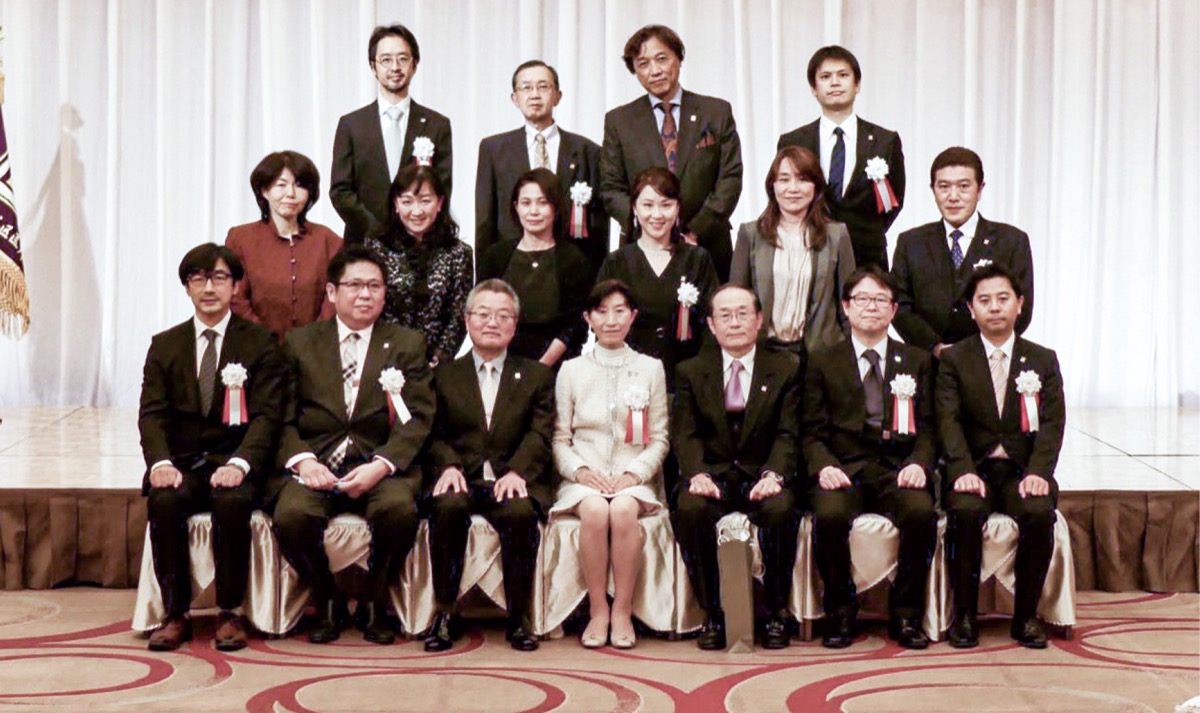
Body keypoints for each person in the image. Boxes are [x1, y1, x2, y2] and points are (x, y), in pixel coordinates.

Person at [270, 244, 435, 645]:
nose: (365, 295)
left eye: (375, 286)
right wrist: (305, 462)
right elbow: (280, 414)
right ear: (332, 292)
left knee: (399, 512)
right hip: (317, 464)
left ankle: (375, 601)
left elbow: (420, 417)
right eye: (355, 285)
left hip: (379, 464)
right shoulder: (300, 342)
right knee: (291, 516)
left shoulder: (407, 343)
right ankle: (326, 598)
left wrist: (381, 465)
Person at [138, 243, 286, 652]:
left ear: (235, 286)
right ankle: (175, 614)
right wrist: (160, 463)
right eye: (198, 279)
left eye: (219, 278)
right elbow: (152, 414)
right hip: (183, 464)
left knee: (231, 501)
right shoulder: (165, 345)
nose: (209, 288)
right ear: (187, 287)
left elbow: (268, 416)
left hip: (235, 462)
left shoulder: (260, 343)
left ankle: (230, 611)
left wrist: (240, 463)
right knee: (164, 501)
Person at [802, 267, 937, 650]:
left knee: (921, 514)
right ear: (846, 307)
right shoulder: (822, 359)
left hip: (898, 469)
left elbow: (931, 427)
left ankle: (906, 614)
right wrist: (824, 465)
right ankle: (840, 612)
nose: (871, 307)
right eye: (862, 299)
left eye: (880, 300)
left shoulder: (917, 360)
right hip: (843, 467)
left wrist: (919, 463)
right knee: (828, 516)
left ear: (894, 310)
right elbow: (810, 429)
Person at [938, 263, 1064, 649]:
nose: (994, 307)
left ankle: (1025, 616)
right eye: (984, 300)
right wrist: (961, 469)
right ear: (971, 309)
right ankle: (964, 616)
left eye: (1003, 298)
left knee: (1039, 512)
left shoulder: (1042, 359)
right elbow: (948, 420)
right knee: (964, 512)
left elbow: (1053, 422)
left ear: (1020, 304)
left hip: (1022, 471)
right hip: (973, 469)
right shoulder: (955, 359)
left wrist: (1039, 471)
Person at [424, 279, 554, 652]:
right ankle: (445, 613)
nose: (492, 322)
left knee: (519, 513)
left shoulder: (537, 375)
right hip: (460, 476)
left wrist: (517, 471)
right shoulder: (443, 375)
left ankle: (519, 617)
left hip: (510, 477)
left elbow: (540, 433)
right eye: (483, 314)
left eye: (502, 315)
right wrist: (448, 465)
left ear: (515, 324)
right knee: (447, 507)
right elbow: (432, 433)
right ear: (467, 320)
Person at [671, 285, 802, 651]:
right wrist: (697, 473)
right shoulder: (690, 371)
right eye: (725, 315)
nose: (734, 322)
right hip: (711, 476)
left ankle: (776, 611)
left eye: (743, 313)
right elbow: (685, 433)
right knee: (690, 509)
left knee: (781, 509)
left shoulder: (786, 369)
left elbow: (788, 433)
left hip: (762, 476)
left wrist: (774, 475)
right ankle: (713, 612)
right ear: (712, 325)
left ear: (759, 320)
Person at [551, 280, 669, 650]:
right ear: (588, 318)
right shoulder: (571, 370)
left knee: (621, 510)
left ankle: (622, 609)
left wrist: (635, 473)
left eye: (620, 311)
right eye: (601, 312)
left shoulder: (651, 368)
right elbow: (559, 438)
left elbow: (660, 438)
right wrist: (581, 472)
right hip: (584, 476)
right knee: (594, 510)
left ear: (633, 316)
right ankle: (598, 609)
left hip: (634, 477)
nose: (611, 320)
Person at [600, 24, 743, 281]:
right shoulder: (619, 121)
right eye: (643, 64)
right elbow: (611, 188)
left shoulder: (716, 112)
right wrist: (651, 227)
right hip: (642, 248)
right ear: (635, 71)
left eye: (662, 59)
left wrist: (695, 231)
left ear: (679, 58)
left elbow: (729, 178)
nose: (654, 70)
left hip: (707, 244)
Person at [891, 147, 1035, 357]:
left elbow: (1023, 307)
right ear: (933, 190)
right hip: (927, 362)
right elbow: (899, 306)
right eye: (944, 187)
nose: (953, 196)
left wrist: (977, 351)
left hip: (989, 361)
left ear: (980, 189)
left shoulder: (1011, 241)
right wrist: (934, 346)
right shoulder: (911, 242)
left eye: (964, 186)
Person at [777, 46, 905, 270]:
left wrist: (867, 231)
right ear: (814, 88)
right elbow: (784, 195)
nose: (835, 83)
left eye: (843, 75)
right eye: (826, 77)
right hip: (808, 252)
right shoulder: (793, 141)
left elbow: (893, 201)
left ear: (857, 85)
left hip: (867, 255)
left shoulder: (885, 141)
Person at [476, 60, 609, 274]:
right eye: (526, 87)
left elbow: (598, 225)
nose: (535, 95)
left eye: (543, 87)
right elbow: (485, 221)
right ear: (515, 98)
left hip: (570, 269)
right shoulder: (493, 149)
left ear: (558, 96)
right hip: (511, 266)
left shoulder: (587, 151)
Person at [596, 167, 719, 388]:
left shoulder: (697, 259)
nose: (657, 214)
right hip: (629, 379)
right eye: (648, 205)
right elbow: (602, 325)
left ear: (678, 208)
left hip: (687, 379)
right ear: (634, 208)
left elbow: (712, 324)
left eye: (666, 205)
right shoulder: (617, 262)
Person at [330, 24, 453, 242]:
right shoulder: (351, 125)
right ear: (373, 67)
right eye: (386, 60)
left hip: (420, 242)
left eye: (403, 59)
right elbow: (340, 191)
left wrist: (414, 228)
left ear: (414, 65)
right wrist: (375, 231)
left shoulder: (437, 124)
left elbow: (442, 187)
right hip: (365, 243)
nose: (395, 67)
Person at [730, 146, 855, 356]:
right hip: (764, 352)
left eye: (802, 179)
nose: (793, 188)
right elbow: (736, 301)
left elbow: (849, 305)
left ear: (816, 187)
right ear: (773, 186)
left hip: (823, 354)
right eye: (784, 179)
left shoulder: (837, 235)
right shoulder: (750, 234)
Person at [477, 168, 591, 367]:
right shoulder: (495, 256)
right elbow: (481, 312)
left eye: (543, 203)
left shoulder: (573, 259)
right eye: (526, 203)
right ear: (516, 207)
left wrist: (539, 369)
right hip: (500, 364)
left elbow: (574, 325)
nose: (534, 211)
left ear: (555, 208)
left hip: (556, 366)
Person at [364, 163, 473, 367]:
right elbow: (370, 305)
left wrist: (440, 356)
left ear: (439, 203)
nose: (416, 211)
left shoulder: (459, 252)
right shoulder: (376, 248)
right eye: (407, 201)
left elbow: (459, 315)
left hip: (436, 364)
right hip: (384, 358)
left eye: (425, 201)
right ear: (396, 204)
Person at [226, 151, 342, 341]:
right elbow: (236, 298)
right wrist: (265, 341)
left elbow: (335, 299)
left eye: (299, 185)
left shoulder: (328, 240)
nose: (291, 194)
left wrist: (311, 342)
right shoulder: (240, 239)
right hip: (256, 347)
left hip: (316, 347)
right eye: (281, 185)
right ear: (265, 191)